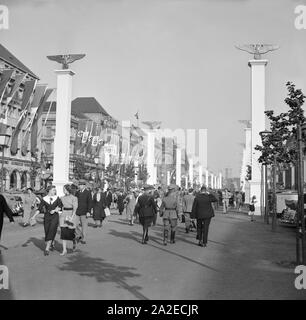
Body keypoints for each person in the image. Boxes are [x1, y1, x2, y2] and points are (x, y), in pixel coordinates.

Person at [34, 185, 62, 256]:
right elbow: (39, 209)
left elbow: (60, 207)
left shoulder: (57, 198)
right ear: (49, 190)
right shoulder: (44, 199)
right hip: (47, 217)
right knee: (47, 231)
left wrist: (55, 210)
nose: (55, 191)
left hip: (55, 217)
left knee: (52, 230)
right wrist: (33, 216)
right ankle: (51, 242)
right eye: (53, 190)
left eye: (55, 190)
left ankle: (47, 249)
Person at [59, 184, 78, 256]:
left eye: (64, 189)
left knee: (70, 233)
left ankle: (74, 241)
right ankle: (64, 250)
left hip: (71, 215)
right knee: (63, 232)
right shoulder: (61, 198)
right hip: (63, 216)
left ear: (67, 189)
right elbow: (59, 207)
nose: (63, 190)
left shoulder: (74, 198)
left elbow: (75, 208)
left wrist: (72, 217)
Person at [75, 180, 92, 244]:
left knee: (84, 226)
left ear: (84, 185)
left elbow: (90, 203)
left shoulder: (88, 192)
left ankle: (84, 239)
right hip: (77, 211)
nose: (80, 186)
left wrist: (89, 211)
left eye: (81, 185)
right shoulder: (77, 192)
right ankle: (79, 234)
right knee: (74, 225)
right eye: (79, 185)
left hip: (84, 212)